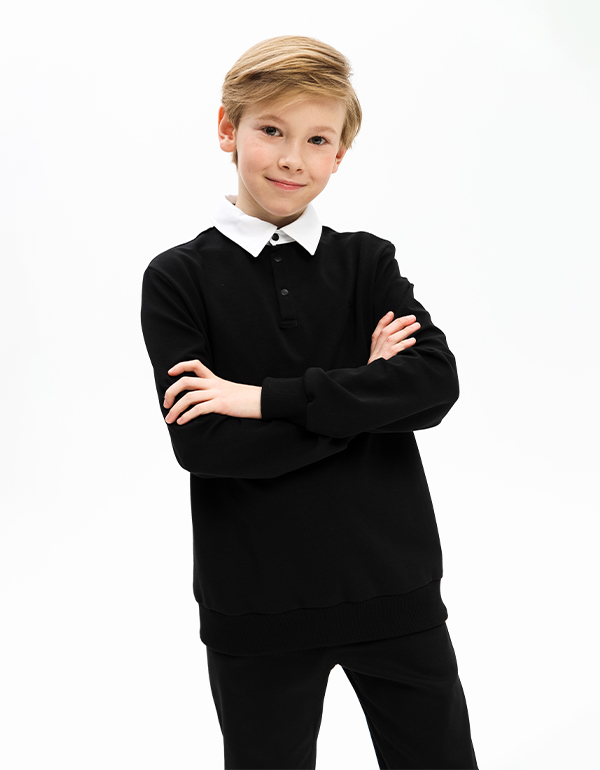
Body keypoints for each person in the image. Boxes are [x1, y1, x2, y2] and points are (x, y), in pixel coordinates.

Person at [140, 34, 478, 770]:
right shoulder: (177, 279)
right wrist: (364, 392)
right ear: (227, 129)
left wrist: (258, 400)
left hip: (394, 586)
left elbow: (433, 386)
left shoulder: (368, 262)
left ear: (339, 155)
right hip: (254, 603)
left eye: (317, 139)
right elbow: (204, 445)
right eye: (272, 130)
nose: (292, 158)